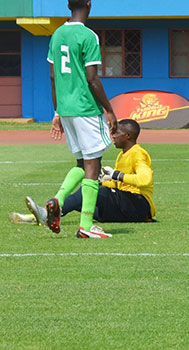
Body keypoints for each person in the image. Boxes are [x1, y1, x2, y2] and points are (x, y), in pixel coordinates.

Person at [33, 0, 117, 238]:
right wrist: (109, 110)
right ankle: (86, 226)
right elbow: (92, 79)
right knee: (93, 165)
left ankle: (57, 201)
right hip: (86, 108)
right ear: (89, 4)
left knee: (81, 163)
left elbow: (52, 77)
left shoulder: (57, 33)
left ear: (68, 5)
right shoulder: (89, 36)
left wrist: (57, 112)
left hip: (67, 109)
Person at [24, 119, 155, 226]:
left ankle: (47, 214)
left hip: (140, 205)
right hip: (128, 206)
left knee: (91, 192)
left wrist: (115, 175)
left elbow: (144, 180)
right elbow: (121, 185)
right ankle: (46, 217)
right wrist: (105, 181)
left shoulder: (138, 153)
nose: (113, 135)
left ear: (128, 136)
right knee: (88, 194)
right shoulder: (123, 154)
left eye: (116, 132)